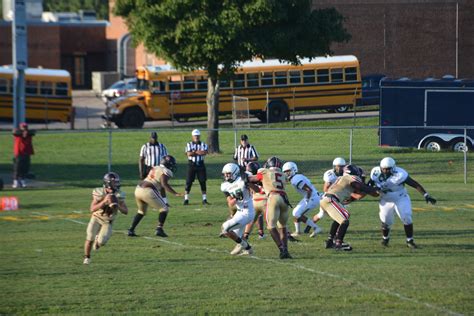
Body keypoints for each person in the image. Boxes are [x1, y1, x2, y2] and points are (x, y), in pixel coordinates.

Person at [369, 157, 437, 249]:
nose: (385, 171)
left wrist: (426, 195)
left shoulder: (400, 174)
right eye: (384, 168)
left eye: (388, 169)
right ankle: (385, 239)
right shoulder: (375, 172)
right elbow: (370, 184)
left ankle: (410, 240)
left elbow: (414, 184)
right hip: (386, 199)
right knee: (385, 220)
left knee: (406, 217)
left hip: (401, 197)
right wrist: (373, 189)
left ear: (393, 167)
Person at [319, 165, 379, 251]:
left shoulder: (342, 178)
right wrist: (371, 188)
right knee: (344, 220)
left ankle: (330, 241)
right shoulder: (350, 178)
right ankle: (339, 243)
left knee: (341, 218)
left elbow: (358, 195)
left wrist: (370, 190)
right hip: (331, 199)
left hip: (327, 199)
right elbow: (361, 187)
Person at [128, 155, 183, 237]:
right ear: (168, 164)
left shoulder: (156, 167)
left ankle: (131, 230)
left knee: (141, 211)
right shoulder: (165, 171)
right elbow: (164, 184)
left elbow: (161, 187)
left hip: (138, 189)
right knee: (164, 209)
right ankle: (159, 229)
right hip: (148, 190)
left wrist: (164, 199)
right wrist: (175, 193)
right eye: (172, 164)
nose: (173, 166)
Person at [249, 156, 292, 259]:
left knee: (271, 226)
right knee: (283, 226)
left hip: (273, 197)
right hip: (285, 199)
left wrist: (244, 178)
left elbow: (252, 179)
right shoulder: (282, 174)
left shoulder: (264, 172)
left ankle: (281, 249)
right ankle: (285, 249)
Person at [83, 172, 128, 265]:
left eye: (117, 182)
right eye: (114, 182)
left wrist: (117, 205)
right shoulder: (99, 192)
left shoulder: (119, 194)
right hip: (96, 217)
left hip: (108, 221)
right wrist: (104, 201)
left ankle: (98, 241)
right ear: (108, 183)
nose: (116, 184)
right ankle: (87, 257)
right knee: (89, 237)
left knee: (101, 242)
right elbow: (92, 209)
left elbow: (126, 211)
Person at [220, 163, 255, 256]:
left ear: (234, 173)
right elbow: (230, 202)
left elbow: (256, 189)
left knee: (225, 228)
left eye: (228, 173)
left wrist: (249, 184)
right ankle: (246, 248)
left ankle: (247, 247)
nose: (226, 175)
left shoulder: (242, 180)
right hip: (239, 212)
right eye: (225, 173)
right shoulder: (225, 186)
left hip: (248, 212)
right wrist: (235, 199)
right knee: (233, 235)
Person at [306, 157, 347, 233]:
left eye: (342, 167)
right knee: (322, 214)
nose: (341, 169)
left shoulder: (345, 174)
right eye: (339, 167)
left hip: (339, 197)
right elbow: (325, 188)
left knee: (340, 215)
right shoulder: (330, 174)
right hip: (328, 196)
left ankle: (338, 231)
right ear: (334, 166)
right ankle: (309, 227)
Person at [282, 162, 322, 238]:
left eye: (288, 171)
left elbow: (308, 190)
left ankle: (316, 228)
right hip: (312, 196)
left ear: (294, 170)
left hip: (312, 197)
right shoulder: (296, 177)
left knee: (296, 213)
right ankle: (298, 232)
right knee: (296, 212)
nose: (287, 173)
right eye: (285, 172)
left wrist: (307, 200)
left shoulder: (295, 179)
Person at [139, 131, 169, 204]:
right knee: (147, 186)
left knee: (162, 185)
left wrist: (165, 169)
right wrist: (141, 171)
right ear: (150, 138)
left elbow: (166, 158)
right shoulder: (145, 146)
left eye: (155, 138)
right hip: (149, 167)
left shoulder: (162, 146)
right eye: (152, 138)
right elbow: (141, 159)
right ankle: (147, 201)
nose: (154, 140)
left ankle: (165, 202)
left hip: (159, 168)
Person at [184, 129, 209, 205]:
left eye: (197, 135)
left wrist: (194, 152)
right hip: (191, 164)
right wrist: (197, 152)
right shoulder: (189, 144)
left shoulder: (203, 144)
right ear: (192, 136)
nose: (196, 137)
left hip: (200, 164)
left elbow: (204, 152)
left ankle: (204, 199)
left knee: (202, 181)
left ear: (199, 136)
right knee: (188, 182)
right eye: (195, 135)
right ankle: (186, 199)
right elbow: (188, 154)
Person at [242, 162, 266, 240]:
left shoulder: (247, 176)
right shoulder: (262, 175)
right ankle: (287, 234)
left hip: (254, 200)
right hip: (265, 200)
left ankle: (245, 235)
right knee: (272, 220)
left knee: (251, 219)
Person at [12, 123, 35, 188]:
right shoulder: (17, 134)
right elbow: (14, 132)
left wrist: (26, 132)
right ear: (20, 128)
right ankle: (15, 182)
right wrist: (22, 133)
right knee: (17, 168)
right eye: (23, 127)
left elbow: (33, 132)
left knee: (25, 168)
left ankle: (23, 181)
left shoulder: (29, 135)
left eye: (25, 127)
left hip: (27, 153)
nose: (24, 128)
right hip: (19, 153)